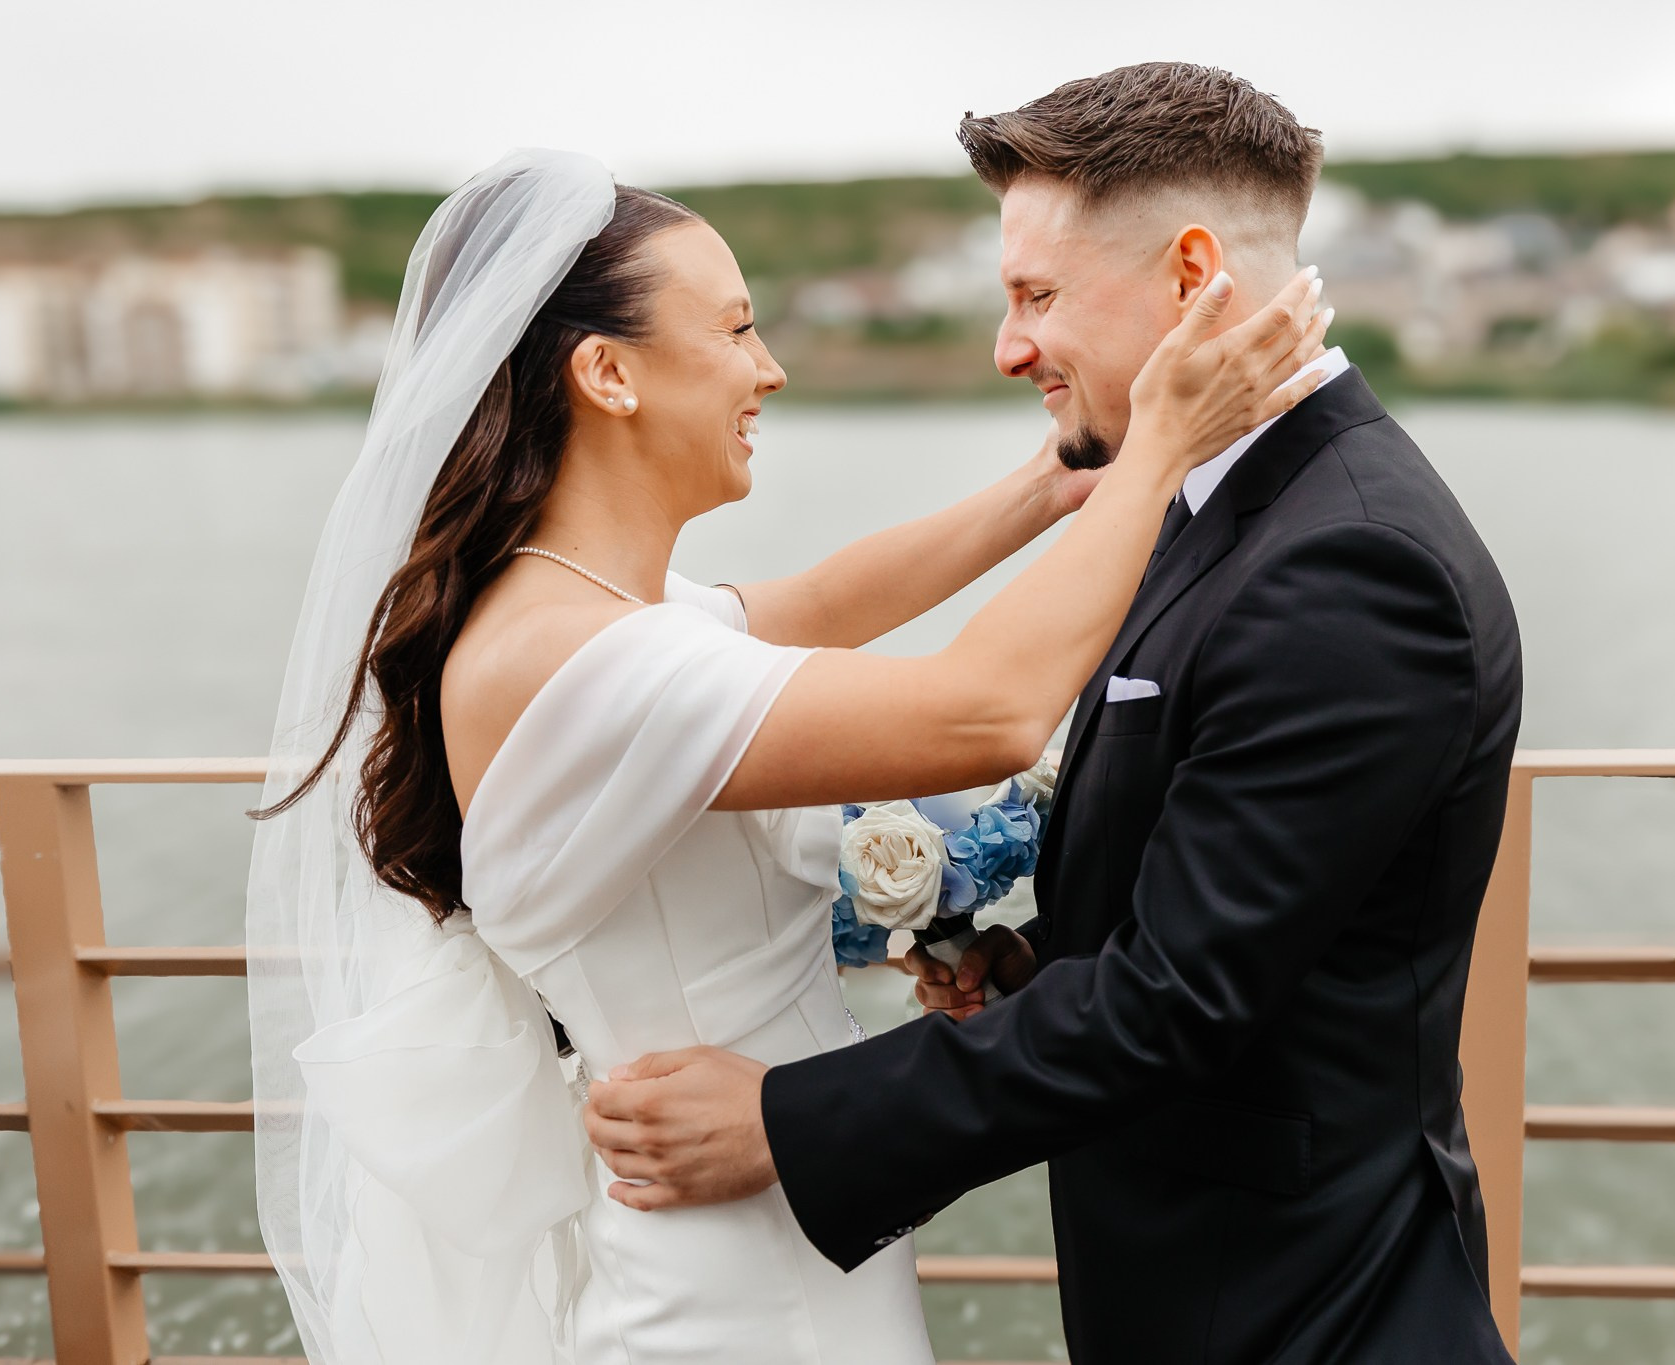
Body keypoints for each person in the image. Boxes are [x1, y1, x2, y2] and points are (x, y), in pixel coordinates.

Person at [244, 145, 1324, 1363]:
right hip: (735, 1292)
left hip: (760, 1233)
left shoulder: (584, 620)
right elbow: (989, 712)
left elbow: (814, 600)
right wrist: (1168, 443)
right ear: (605, 373)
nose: (769, 367)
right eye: (736, 328)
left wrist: (1052, 483)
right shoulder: (579, 663)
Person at [586, 63, 1525, 1364]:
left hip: (1311, 1310)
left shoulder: (1354, 564)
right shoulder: (1225, 515)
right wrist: (1032, 964)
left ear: (1193, 276)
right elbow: (1217, 920)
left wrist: (787, 1121)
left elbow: (1182, 998)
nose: (1008, 346)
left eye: (1036, 296)